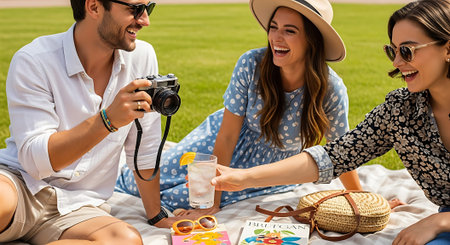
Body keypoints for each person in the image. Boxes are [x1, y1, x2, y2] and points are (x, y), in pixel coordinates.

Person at [210, 0, 450, 244]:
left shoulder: (332, 87)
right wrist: (243, 178)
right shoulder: (401, 111)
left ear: (448, 49)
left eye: (407, 51)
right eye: (393, 51)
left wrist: (440, 221)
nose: (397, 63)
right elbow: (334, 156)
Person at [116, 0, 363, 216]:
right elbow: (227, 134)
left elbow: (341, 153)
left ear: (312, 40)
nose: (276, 38)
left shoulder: (330, 89)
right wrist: (212, 203)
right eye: (273, 27)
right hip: (220, 144)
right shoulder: (251, 64)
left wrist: (361, 200)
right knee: (141, 183)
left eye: (290, 31)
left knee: (176, 198)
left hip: (269, 171)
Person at [0, 0, 178, 243]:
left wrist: (156, 215)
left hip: (79, 205)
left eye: (149, 8)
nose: (145, 20)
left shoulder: (141, 56)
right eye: (135, 9)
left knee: (126, 240)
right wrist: (107, 120)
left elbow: (144, 147)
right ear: (93, 7)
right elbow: (35, 162)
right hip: (21, 184)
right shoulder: (35, 60)